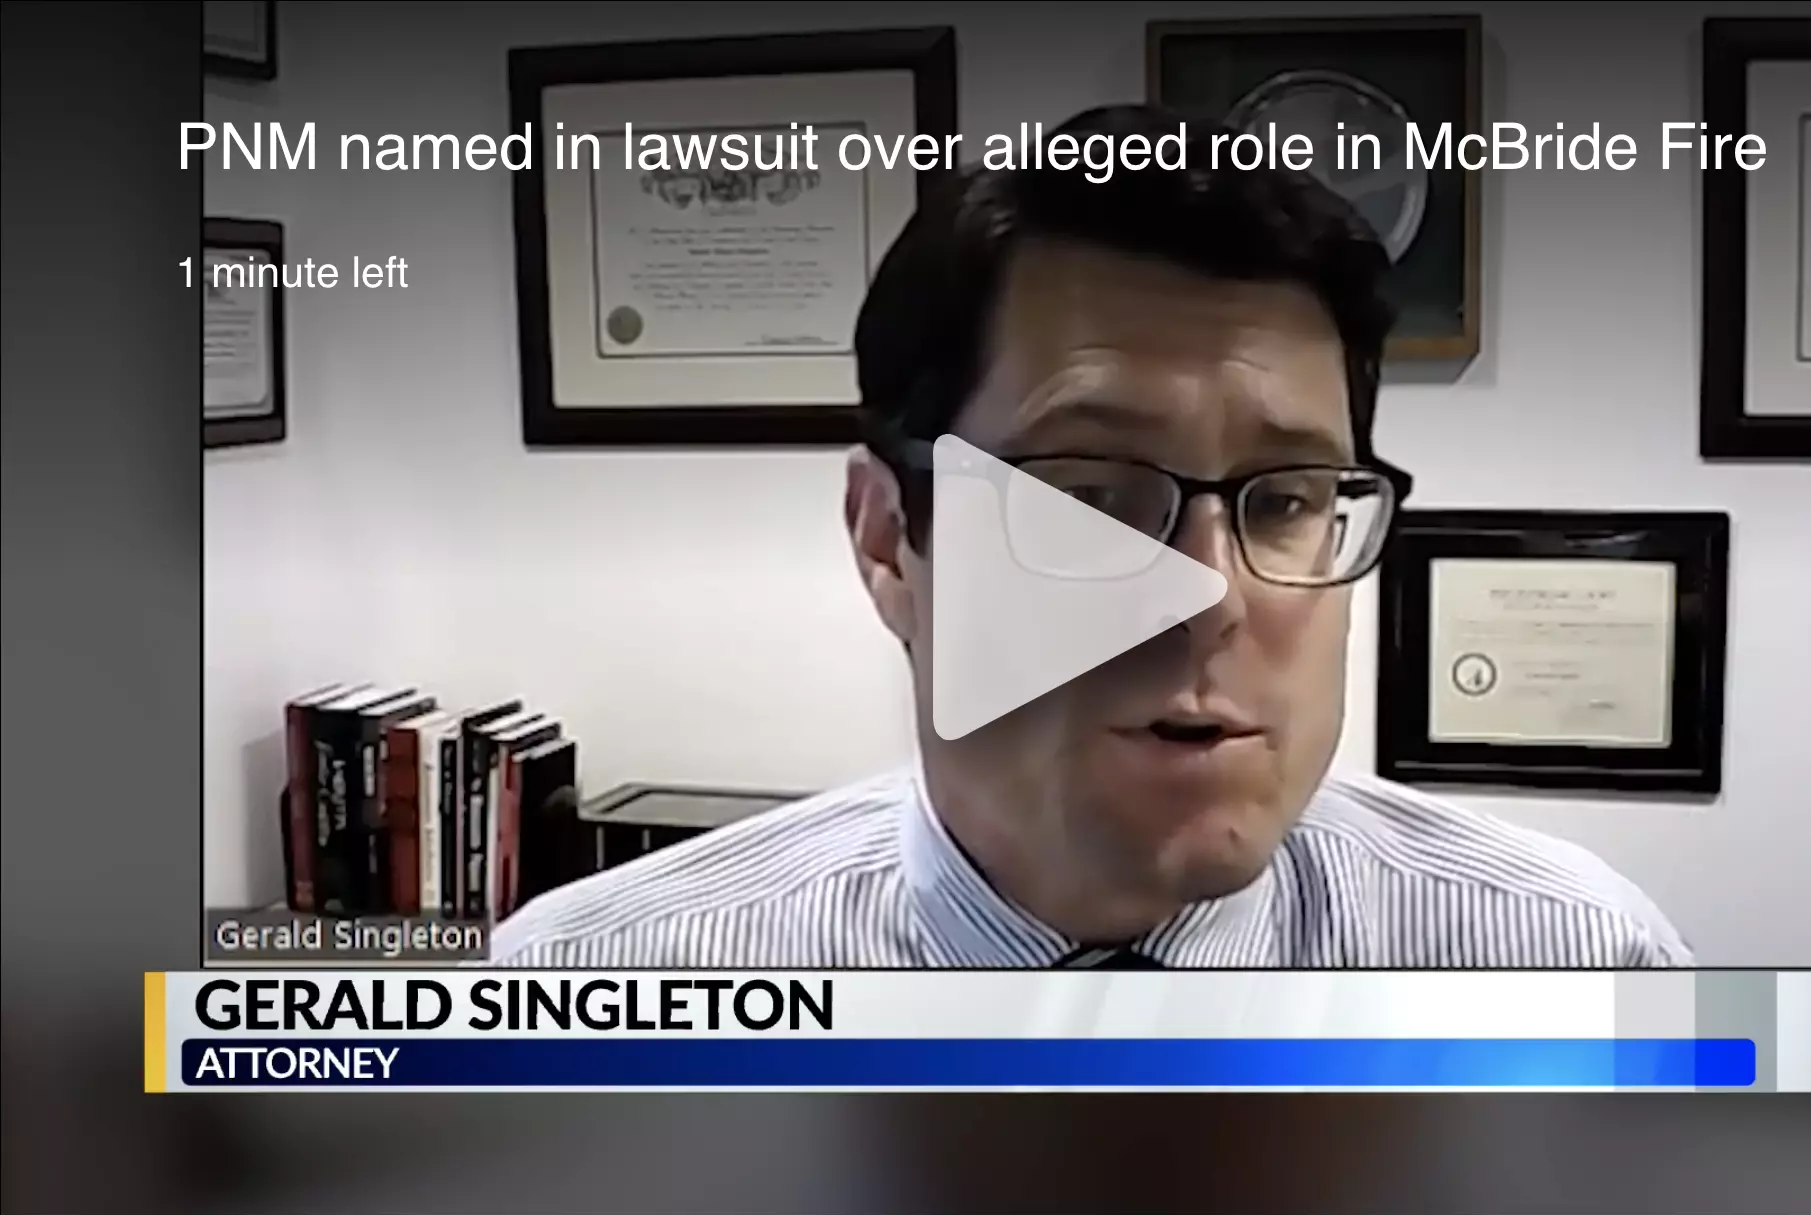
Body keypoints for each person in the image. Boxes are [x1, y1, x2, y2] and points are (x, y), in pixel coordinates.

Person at [491, 105, 1691, 969]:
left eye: (1283, 500)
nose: (1209, 595)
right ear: (888, 542)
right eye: (1091, 497)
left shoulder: (1578, 972)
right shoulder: (593, 1002)